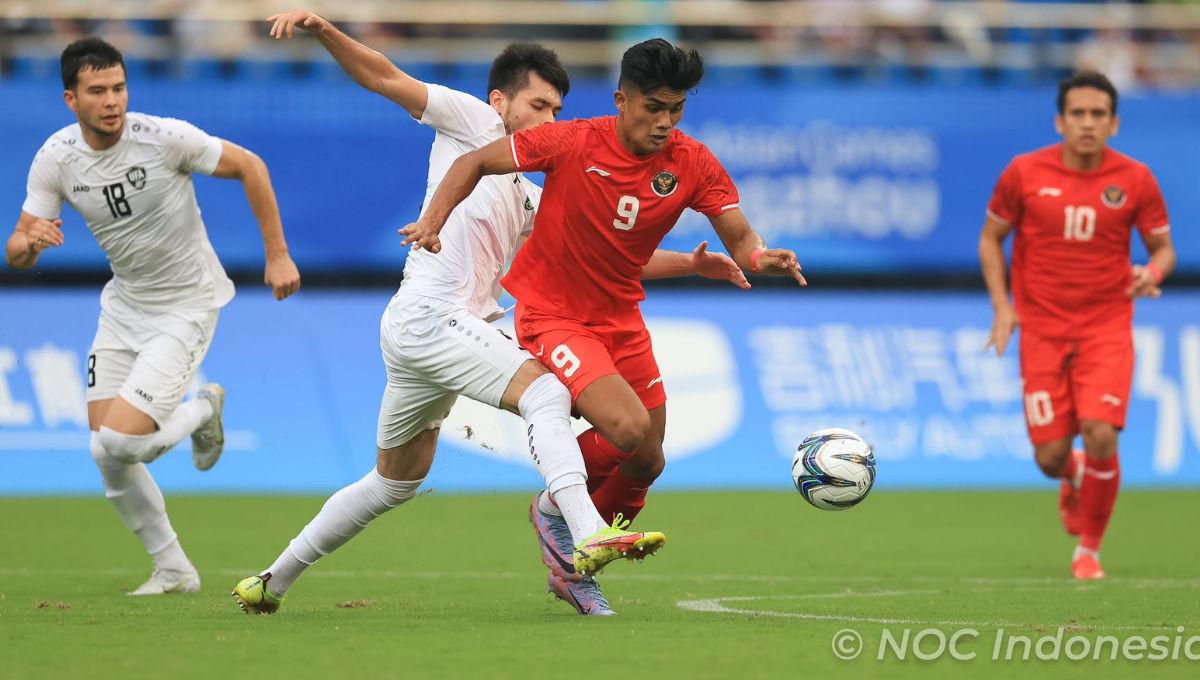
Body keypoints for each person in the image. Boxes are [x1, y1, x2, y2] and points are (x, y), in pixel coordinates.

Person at [234, 12, 746, 616]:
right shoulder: (472, 121)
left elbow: (607, 254)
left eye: (557, 109)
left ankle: (270, 581)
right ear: (500, 101)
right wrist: (324, 30)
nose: (549, 120)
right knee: (547, 392)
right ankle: (584, 531)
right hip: (430, 318)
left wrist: (693, 263)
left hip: (454, 332)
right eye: (538, 105)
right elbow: (383, 77)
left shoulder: (528, 191)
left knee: (394, 482)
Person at [400, 38, 806, 614]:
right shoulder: (573, 141)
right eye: (654, 108)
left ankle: (573, 565)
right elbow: (473, 162)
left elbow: (740, 238)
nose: (665, 122)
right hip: (553, 314)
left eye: (676, 109)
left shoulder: (693, 162)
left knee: (648, 460)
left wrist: (760, 256)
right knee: (627, 428)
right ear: (622, 100)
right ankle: (557, 513)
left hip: (620, 318)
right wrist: (432, 222)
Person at [5, 37, 302, 595]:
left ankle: (204, 409)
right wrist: (32, 244)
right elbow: (17, 250)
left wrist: (277, 254)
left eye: (119, 88)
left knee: (119, 442)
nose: (112, 101)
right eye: (98, 91)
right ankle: (174, 571)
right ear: (71, 99)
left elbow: (251, 166)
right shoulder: (57, 158)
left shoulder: (164, 138)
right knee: (106, 450)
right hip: (124, 307)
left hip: (186, 305)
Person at [979, 70, 1175, 580]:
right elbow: (990, 238)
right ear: (1060, 121)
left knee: (1100, 432)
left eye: (1098, 114)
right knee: (1049, 457)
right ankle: (1075, 472)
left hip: (1106, 326)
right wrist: (1003, 307)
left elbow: (1163, 250)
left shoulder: (1136, 179)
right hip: (1042, 329)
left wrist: (1151, 273)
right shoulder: (1024, 172)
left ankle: (1088, 550)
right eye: (1078, 114)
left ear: (1114, 123)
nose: (1088, 123)